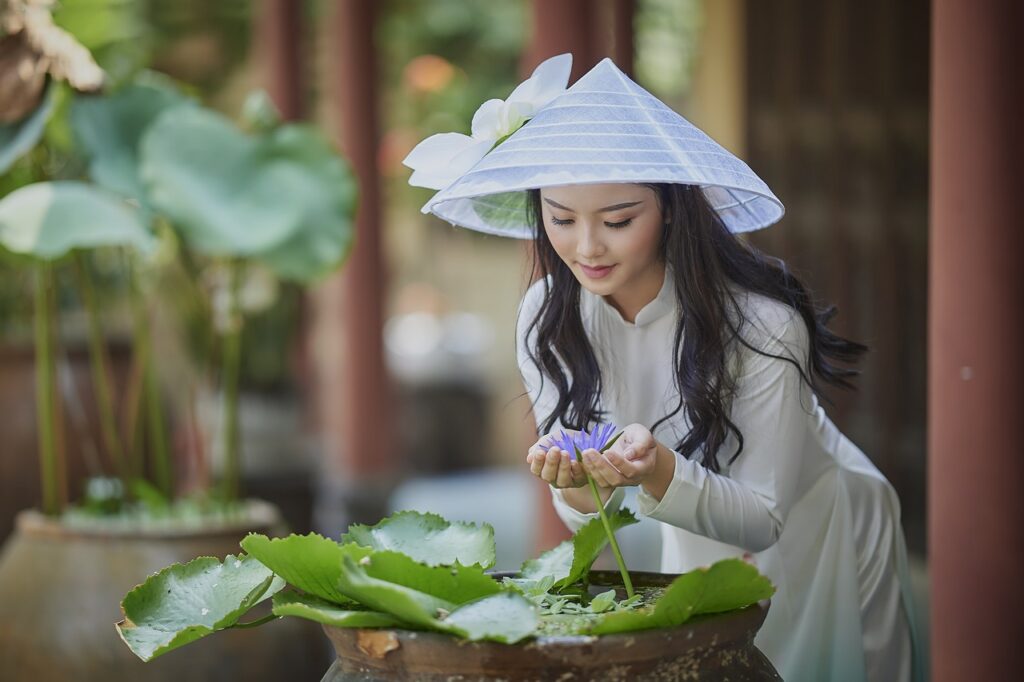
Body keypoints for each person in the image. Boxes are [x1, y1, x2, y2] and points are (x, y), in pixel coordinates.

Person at [405, 53, 921, 682]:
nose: (587, 247)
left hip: (821, 527)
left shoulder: (760, 325)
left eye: (618, 221)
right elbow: (583, 504)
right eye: (561, 219)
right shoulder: (546, 317)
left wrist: (657, 469)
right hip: (695, 528)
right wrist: (573, 483)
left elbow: (763, 517)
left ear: (672, 208)